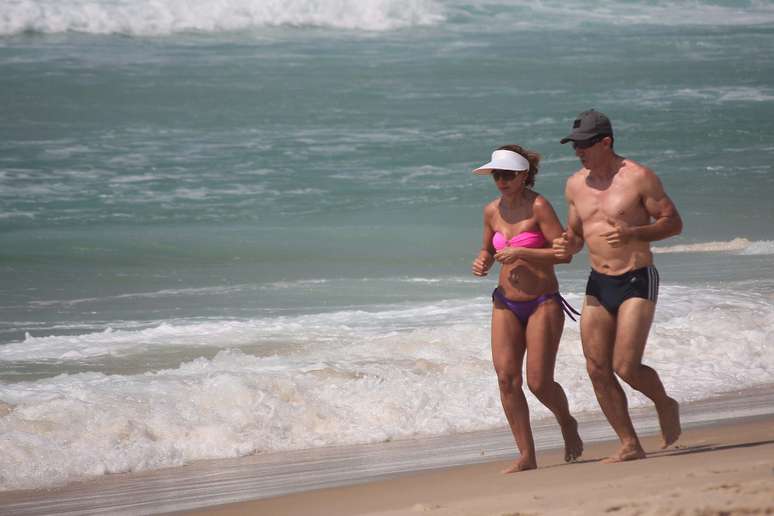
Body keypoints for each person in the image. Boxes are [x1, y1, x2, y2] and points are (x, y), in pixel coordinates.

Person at [553, 109, 683, 463]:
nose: (578, 152)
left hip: (637, 277)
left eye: (584, 145)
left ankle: (664, 402)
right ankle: (629, 443)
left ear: (606, 142)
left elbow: (673, 223)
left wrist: (633, 233)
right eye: (574, 146)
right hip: (598, 281)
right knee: (596, 367)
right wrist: (566, 245)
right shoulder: (574, 184)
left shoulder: (639, 177)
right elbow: (577, 235)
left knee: (626, 366)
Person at [471, 144, 583, 473]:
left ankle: (566, 421)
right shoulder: (492, 211)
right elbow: (487, 249)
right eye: (496, 175)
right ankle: (526, 455)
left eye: (507, 175)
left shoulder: (539, 207)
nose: (501, 181)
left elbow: (564, 254)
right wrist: (483, 261)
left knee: (538, 382)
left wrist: (525, 255)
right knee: (507, 379)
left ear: (523, 176)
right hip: (505, 302)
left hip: (542, 302)